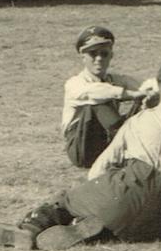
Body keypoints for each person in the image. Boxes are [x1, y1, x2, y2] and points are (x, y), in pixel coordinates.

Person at [0, 61, 161, 250]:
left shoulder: (138, 121)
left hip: (128, 187)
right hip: (159, 216)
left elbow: (98, 169)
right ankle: (101, 231)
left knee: (65, 200)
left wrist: (90, 194)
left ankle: (31, 228)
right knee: (135, 220)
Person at [61, 26, 155, 168]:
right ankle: (126, 144)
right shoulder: (74, 83)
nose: (99, 59)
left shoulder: (115, 79)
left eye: (104, 54)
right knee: (97, 103)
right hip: (83, 149)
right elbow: (97, 92)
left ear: (111, 56)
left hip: (106, 143)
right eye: (93, 54)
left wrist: (150, 93)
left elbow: (147, 84)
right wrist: (130, 94)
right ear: (83, 57)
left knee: (143, 98)